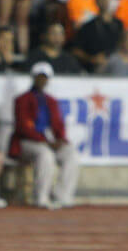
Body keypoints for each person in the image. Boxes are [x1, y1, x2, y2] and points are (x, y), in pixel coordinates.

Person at [10, 62, 79, 209]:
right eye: (39, 77)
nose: (42, 80)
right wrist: (45, 142)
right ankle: (40, 197)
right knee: (45, 154)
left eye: (45, 77)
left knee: (71, 153)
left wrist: (60, 139)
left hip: (48, 141)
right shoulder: (22, 100)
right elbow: (23, 128)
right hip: (27, 142)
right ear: (33, 78)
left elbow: (59, 125)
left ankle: (62, 196)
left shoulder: (51, 101)